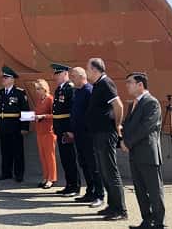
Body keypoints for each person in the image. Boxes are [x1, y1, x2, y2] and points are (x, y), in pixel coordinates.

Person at [85, 58, 128, 221]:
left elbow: (119, 105)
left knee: (111, 171)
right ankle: (112, 206)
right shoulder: (98, 85)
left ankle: (121, 210)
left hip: (106, 133)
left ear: (95, 70)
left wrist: (117, 125)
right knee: (104, 171)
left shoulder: (106, 83)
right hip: (98, 133)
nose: (86, 72)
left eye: (88, 69)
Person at [122, 72, 166, 229]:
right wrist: (121, 139)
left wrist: (128, 143)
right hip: (135, 154)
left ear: (140, 85)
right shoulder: (133, 104)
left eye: (130, 82)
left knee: (154, 190)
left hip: (148, 154)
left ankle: (159, 223)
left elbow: (146, 127)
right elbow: (128, 126)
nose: (127, 85)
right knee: (140, 190)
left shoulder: (151, 103)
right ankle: (147, 221)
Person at [67, 67, 104, 208]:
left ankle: (99, 195)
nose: (71, 79)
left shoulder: (89, 91)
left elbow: (93, 114)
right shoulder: (77, 92)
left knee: (93, 165)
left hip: (88, 135)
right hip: (79, 134)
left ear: (82, 76)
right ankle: (90, 191)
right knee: (84, 164)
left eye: (73, 76)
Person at [0, 65, 30, 182]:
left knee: (17, 151)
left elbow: (25, 110)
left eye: (6, 78)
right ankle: (6, 172)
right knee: (5, 151)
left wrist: (25, 127)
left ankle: (19, 174)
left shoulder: (20, 92)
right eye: (3, 77)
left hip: (15, 126)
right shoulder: (0, 92)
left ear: (12, 79)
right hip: (3, 126)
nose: (3, 79)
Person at [51, 63, 80, 197]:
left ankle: (75, 186)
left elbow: (73, 111)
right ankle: (69, 185)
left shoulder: (70, 88)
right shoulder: (59, 89)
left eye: (58, 73)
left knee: (70, 158)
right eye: (55, 74)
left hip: (67, 129)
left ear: (65, 74)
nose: (56, 76)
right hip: (60, 128)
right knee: (64, 158)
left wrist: (71, 130)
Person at [33, 79, 57, 188]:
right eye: (36, 89)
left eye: (39, 89)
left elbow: (54, 115)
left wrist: (43, 116)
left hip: (49, 131)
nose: (37, 91)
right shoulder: (39, 100)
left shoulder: (50, 99)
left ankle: (51, 178)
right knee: (43, 156)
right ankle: (46, 176)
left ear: (44, 89)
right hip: (40, 131)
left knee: (49, 156)